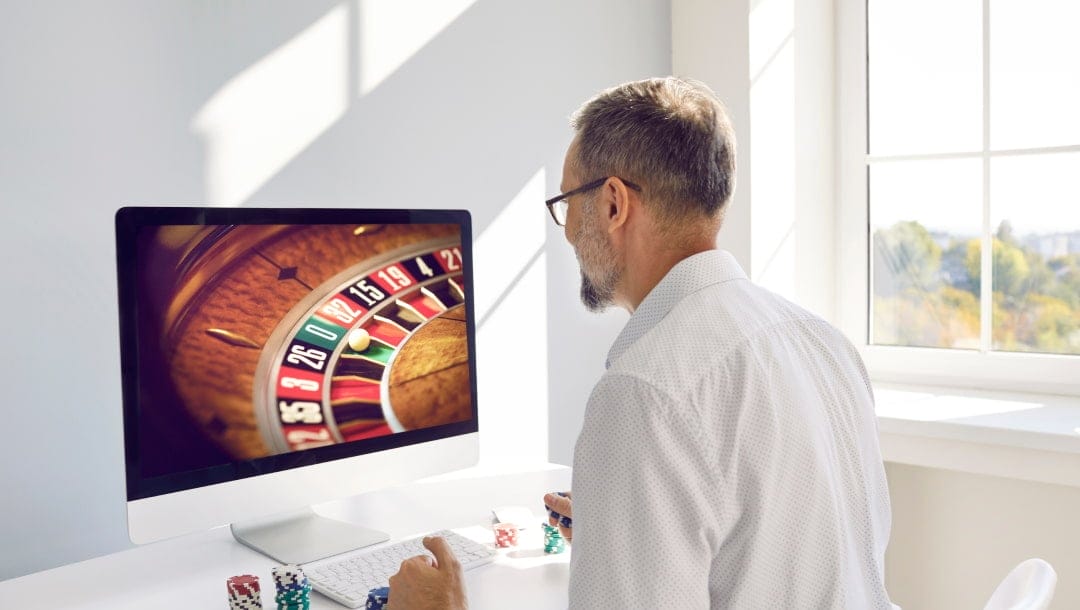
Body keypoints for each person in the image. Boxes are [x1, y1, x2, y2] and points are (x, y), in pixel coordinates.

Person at [388, 77, 895, 609]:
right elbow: (786, 554)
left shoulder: (645, 391)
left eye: (566, 202)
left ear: (612, 204)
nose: (565, 232)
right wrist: (633, 539)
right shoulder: (823, 342)